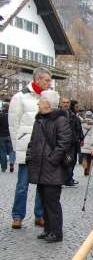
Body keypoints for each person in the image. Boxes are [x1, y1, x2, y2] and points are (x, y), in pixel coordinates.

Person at [25, 89, 72, 243]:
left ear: (48, 104)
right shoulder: (39, 119)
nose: (38, 103)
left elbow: (64, 143)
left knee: (52, 202)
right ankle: (48, 229)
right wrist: (30, 156)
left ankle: (56, 233)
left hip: (53, 168)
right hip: (40, 168)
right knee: (44, 201)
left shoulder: (60, 120)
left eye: (41, 100)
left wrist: (52, 160)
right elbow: (32, 141)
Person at [9, 66, 52, 229]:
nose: (49, 83)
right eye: (47, 80)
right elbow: (13, 124)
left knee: (42, 185)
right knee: (22, 185)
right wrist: (17, 147)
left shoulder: (49, 96)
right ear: (38, 79)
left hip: (44, 148)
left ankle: (39, 215)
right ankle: (17, 216)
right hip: (26, 148)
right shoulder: (20, 97)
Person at [60, 96, 83, 186]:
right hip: (59, 143)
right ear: (61, 103)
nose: (66, 104)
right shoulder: (56, 115)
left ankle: (68, 180)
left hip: (72, 143)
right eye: (64, 102)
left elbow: (78, 128)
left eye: (67, 102)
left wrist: (80, 138)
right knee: (60, 162)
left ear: (69, 104)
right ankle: (61, 179)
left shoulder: (74, 116)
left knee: (71, 161)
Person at [0, 104, 15, 173]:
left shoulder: (0, 116)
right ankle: (11, 162)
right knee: (12, 150)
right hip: (10, 135)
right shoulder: (12, 117)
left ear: (3, 108)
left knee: (3, 152)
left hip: (1, 136)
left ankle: (3, 167)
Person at [80, 111, 93, 175]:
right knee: (90, 157)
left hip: (84, 141)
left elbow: (80, 132)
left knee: (84, 157)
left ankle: (85, 167)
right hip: (91, 141)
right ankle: (88, 170)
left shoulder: (82, 123)